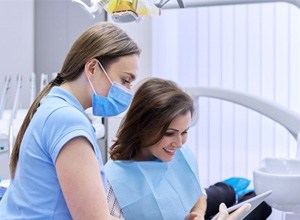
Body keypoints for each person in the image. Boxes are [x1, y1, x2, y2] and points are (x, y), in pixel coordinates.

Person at [0, 22, 140, 219]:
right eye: (125, 80)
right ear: (92, 68)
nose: (127, 91)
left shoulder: (55, 107)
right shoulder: (67, 120)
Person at [104, 78, 253, 220]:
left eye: (184, 132)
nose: (180, 143)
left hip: (198, 202)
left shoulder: (176, 151)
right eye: (169, 133)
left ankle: (231, 189)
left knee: (232, 193)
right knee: (255, 208)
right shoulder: (113, 183)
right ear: (143, 127)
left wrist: (198, 213)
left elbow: (197, 194)